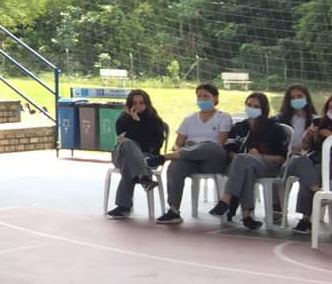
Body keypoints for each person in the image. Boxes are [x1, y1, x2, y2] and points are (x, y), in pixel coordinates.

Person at [209, 91, 290, 230]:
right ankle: (247, 216)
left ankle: (226, 200)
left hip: (268, 165)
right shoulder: (239, 127)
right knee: (245, 166)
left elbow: (281, 158)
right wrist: (243, 159)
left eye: (256, 106)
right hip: (242, 165)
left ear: (264, 109)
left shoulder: (275, 128)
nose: (251, 108)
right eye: (249, 105)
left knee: (243, 160)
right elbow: (229, 149)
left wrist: (258, 157)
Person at [158, 83, 234, 225]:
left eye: (206, 96)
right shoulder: (189, 120)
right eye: (199, 96)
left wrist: (191, 150)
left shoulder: (223, 118)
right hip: (189, 158)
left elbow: (221, 144)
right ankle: (173, 210)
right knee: (175, 166)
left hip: (212, 158)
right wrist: (180, 149)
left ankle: (163, 157)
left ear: (215, 98)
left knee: (212, 147)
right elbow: (177, 144)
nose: (202, 99)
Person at [106, 89, 165, 219]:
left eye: (141, 103)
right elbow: (124, 141)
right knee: (127, 144)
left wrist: (138, 122)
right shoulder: (122, 119)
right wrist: (134, 121)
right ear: (129, 104)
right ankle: (144, 178)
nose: (138, 106)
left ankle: (124, 207)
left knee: (130, 162)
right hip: (120, 156)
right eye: (134, 103)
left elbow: (155, 143)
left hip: (147, 156)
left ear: (147, 104)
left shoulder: (154, 121)